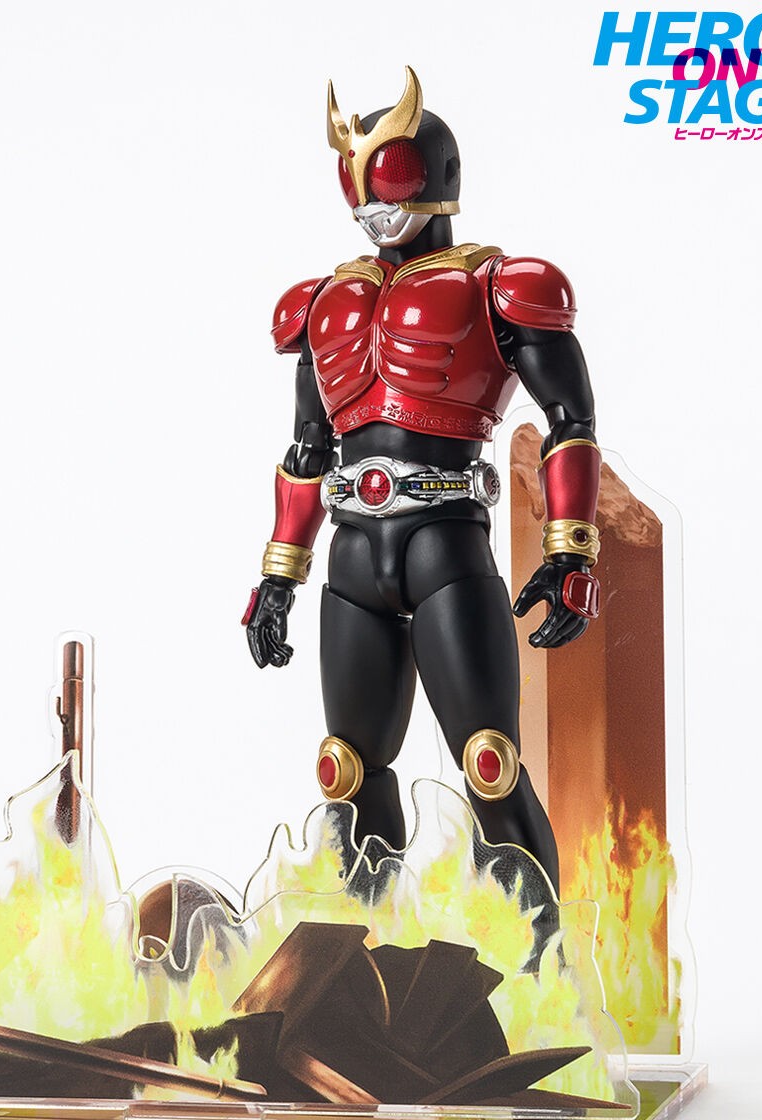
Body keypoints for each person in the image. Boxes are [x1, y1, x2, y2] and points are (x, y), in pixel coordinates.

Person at [243, 68, 603, 894]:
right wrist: (277, 577)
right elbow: (307, 449)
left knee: (489, 763)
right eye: (361, 180)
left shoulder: (500, 287)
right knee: (346, 770)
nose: (375, 199)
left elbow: (571, 420)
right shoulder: (324, 303)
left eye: (391, 173)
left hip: (444, 542)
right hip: (353, 555)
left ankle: (541, 958)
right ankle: (364, 952)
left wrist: (571, 550)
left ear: (436, 174)